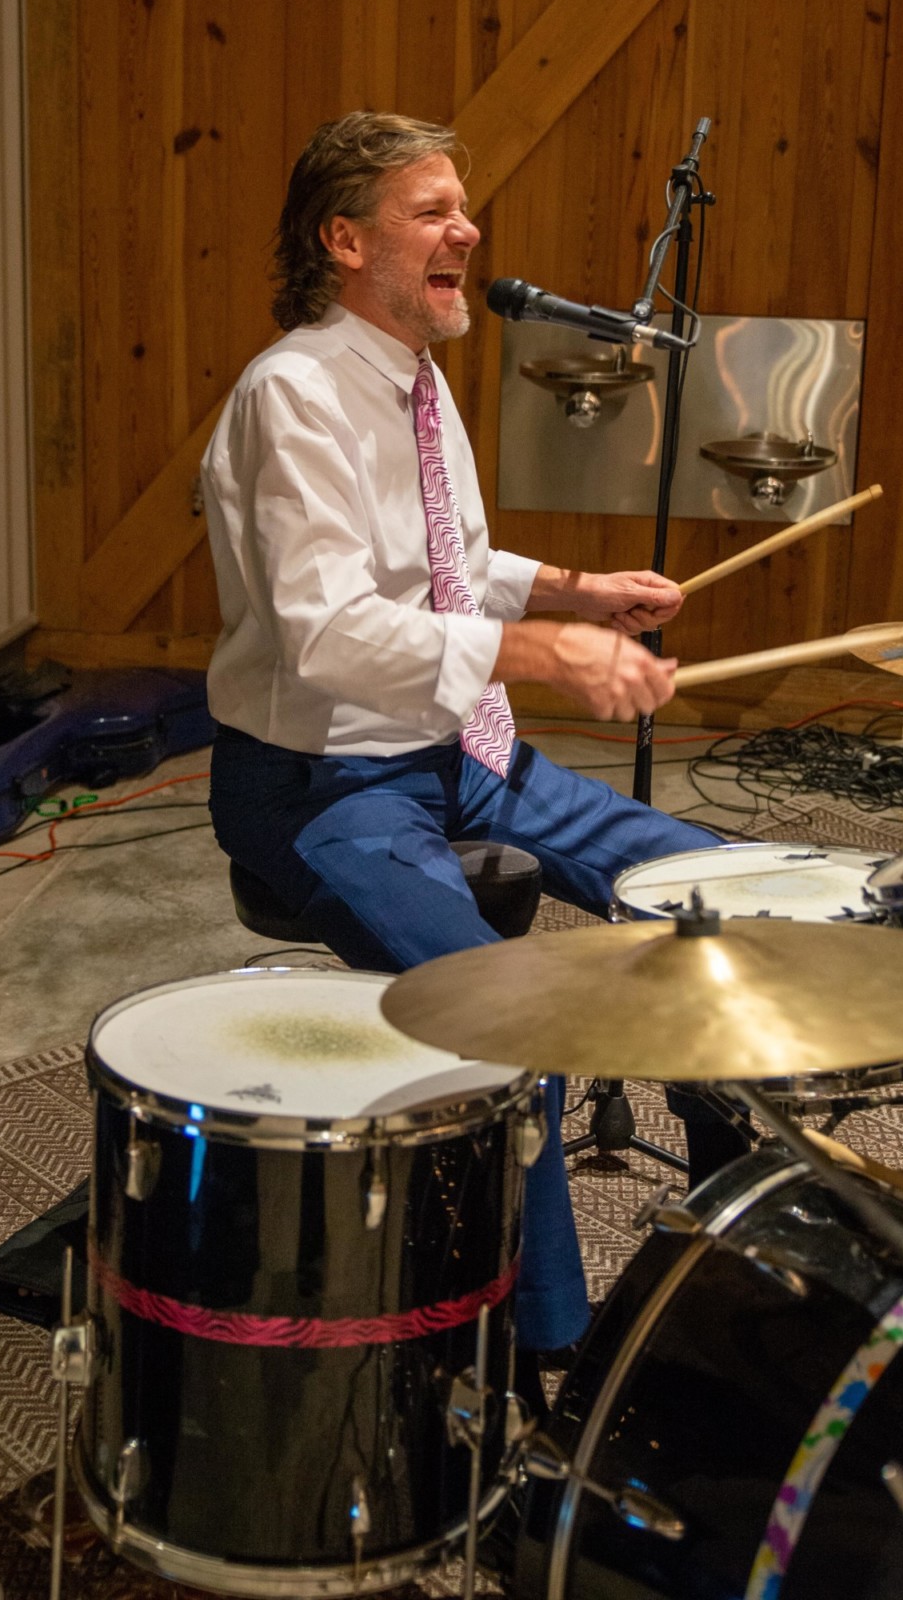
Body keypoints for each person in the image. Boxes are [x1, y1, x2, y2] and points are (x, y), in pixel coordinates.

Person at [202, 111, 722, 1365]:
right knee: (517, 1034)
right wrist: (545, 654)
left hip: (453, 750)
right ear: (343, 239)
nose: (466, 230)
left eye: (461, 207)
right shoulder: (294, 395)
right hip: (321, 782)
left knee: (709, 904)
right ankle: (551, 1357)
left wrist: (573, 587)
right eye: (431, 211)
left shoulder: (417, 378)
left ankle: (726, 1230)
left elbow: (443, 563)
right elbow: (328, 630)